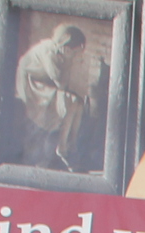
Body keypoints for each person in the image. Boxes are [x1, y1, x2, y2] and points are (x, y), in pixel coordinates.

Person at [16, 24, 95, 172]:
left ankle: (70, 145)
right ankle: (62, 148)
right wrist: (68, 61)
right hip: (33, 86)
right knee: (70, 101)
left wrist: (68, 61)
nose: (75, 55)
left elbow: (62, 82)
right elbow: (59, 80)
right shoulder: (49, 52)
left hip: (45, 84)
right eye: (74, 51)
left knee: (77, 103)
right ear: (66, 46)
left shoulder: (61, 53)